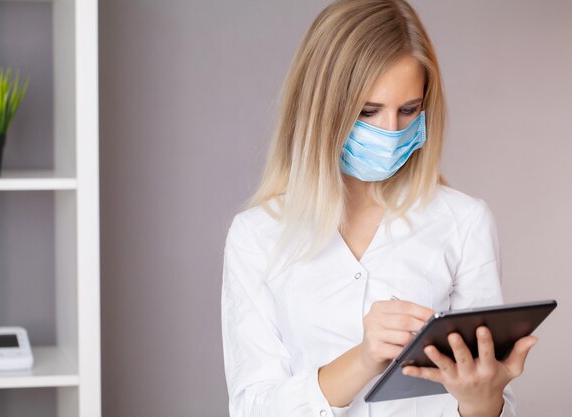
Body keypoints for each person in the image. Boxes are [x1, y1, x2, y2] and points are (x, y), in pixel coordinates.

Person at [220, 0, 537, 416]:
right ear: (322, 110)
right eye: (368, 112)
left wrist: (482, 401)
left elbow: (494, 402)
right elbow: (251, 408)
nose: (391, 132)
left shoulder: (463, 222)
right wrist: (364, 359)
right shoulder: (258, 235)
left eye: (408, 110)